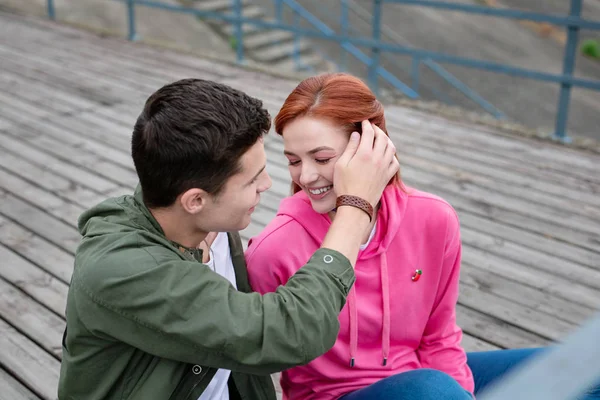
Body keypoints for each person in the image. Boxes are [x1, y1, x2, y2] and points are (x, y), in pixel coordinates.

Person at [245, 73, 600, 400]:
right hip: (338, 395)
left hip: (423, 379)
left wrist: (460, 391)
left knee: (583, 367)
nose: (306, 176)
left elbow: (439, 336)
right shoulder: (274, 249)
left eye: (321, 158)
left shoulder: (433, 219)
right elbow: (257, 357)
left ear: (374, 147)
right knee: (430, 389)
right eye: (293, 160)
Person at [57, 78, 399, 400]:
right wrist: (356, 208)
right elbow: (286, 332)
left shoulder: (210, 225)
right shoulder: (124, 271)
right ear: (195, 200)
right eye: (251, 180)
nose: (267, 184)